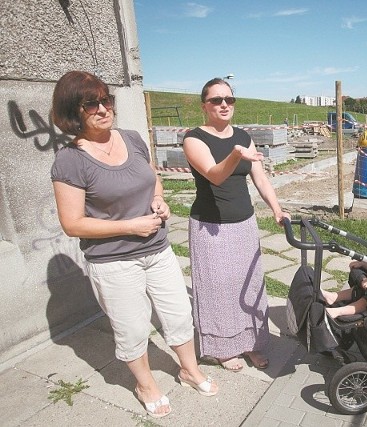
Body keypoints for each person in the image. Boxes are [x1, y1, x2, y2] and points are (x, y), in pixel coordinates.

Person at [50, 71, 217, 419]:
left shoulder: (131, 138)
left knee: (178, 313)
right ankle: (145, 385)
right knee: (132, 327)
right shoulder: (71, 160)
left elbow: (152, 178)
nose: (102, 108)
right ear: (72, 111)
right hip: (113, 262)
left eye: (106, 99)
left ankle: (189, 369)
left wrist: (160, 201)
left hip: (158, 250)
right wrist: (129, 225)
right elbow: (72, 223)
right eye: (90, 103)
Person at [182, 78, 290, 372]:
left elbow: (260, 177)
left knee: (248, 285)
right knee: (217, 289)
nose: (224, 105)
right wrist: (235, 154)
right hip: (210, 226)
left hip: (244, 223)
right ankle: (221, 349)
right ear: (204, 105)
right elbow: (214, 175)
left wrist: (277, 210)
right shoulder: (194, 138)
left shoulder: (243, 135)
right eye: (216, 100)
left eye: (229, 99)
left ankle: (251, 345)